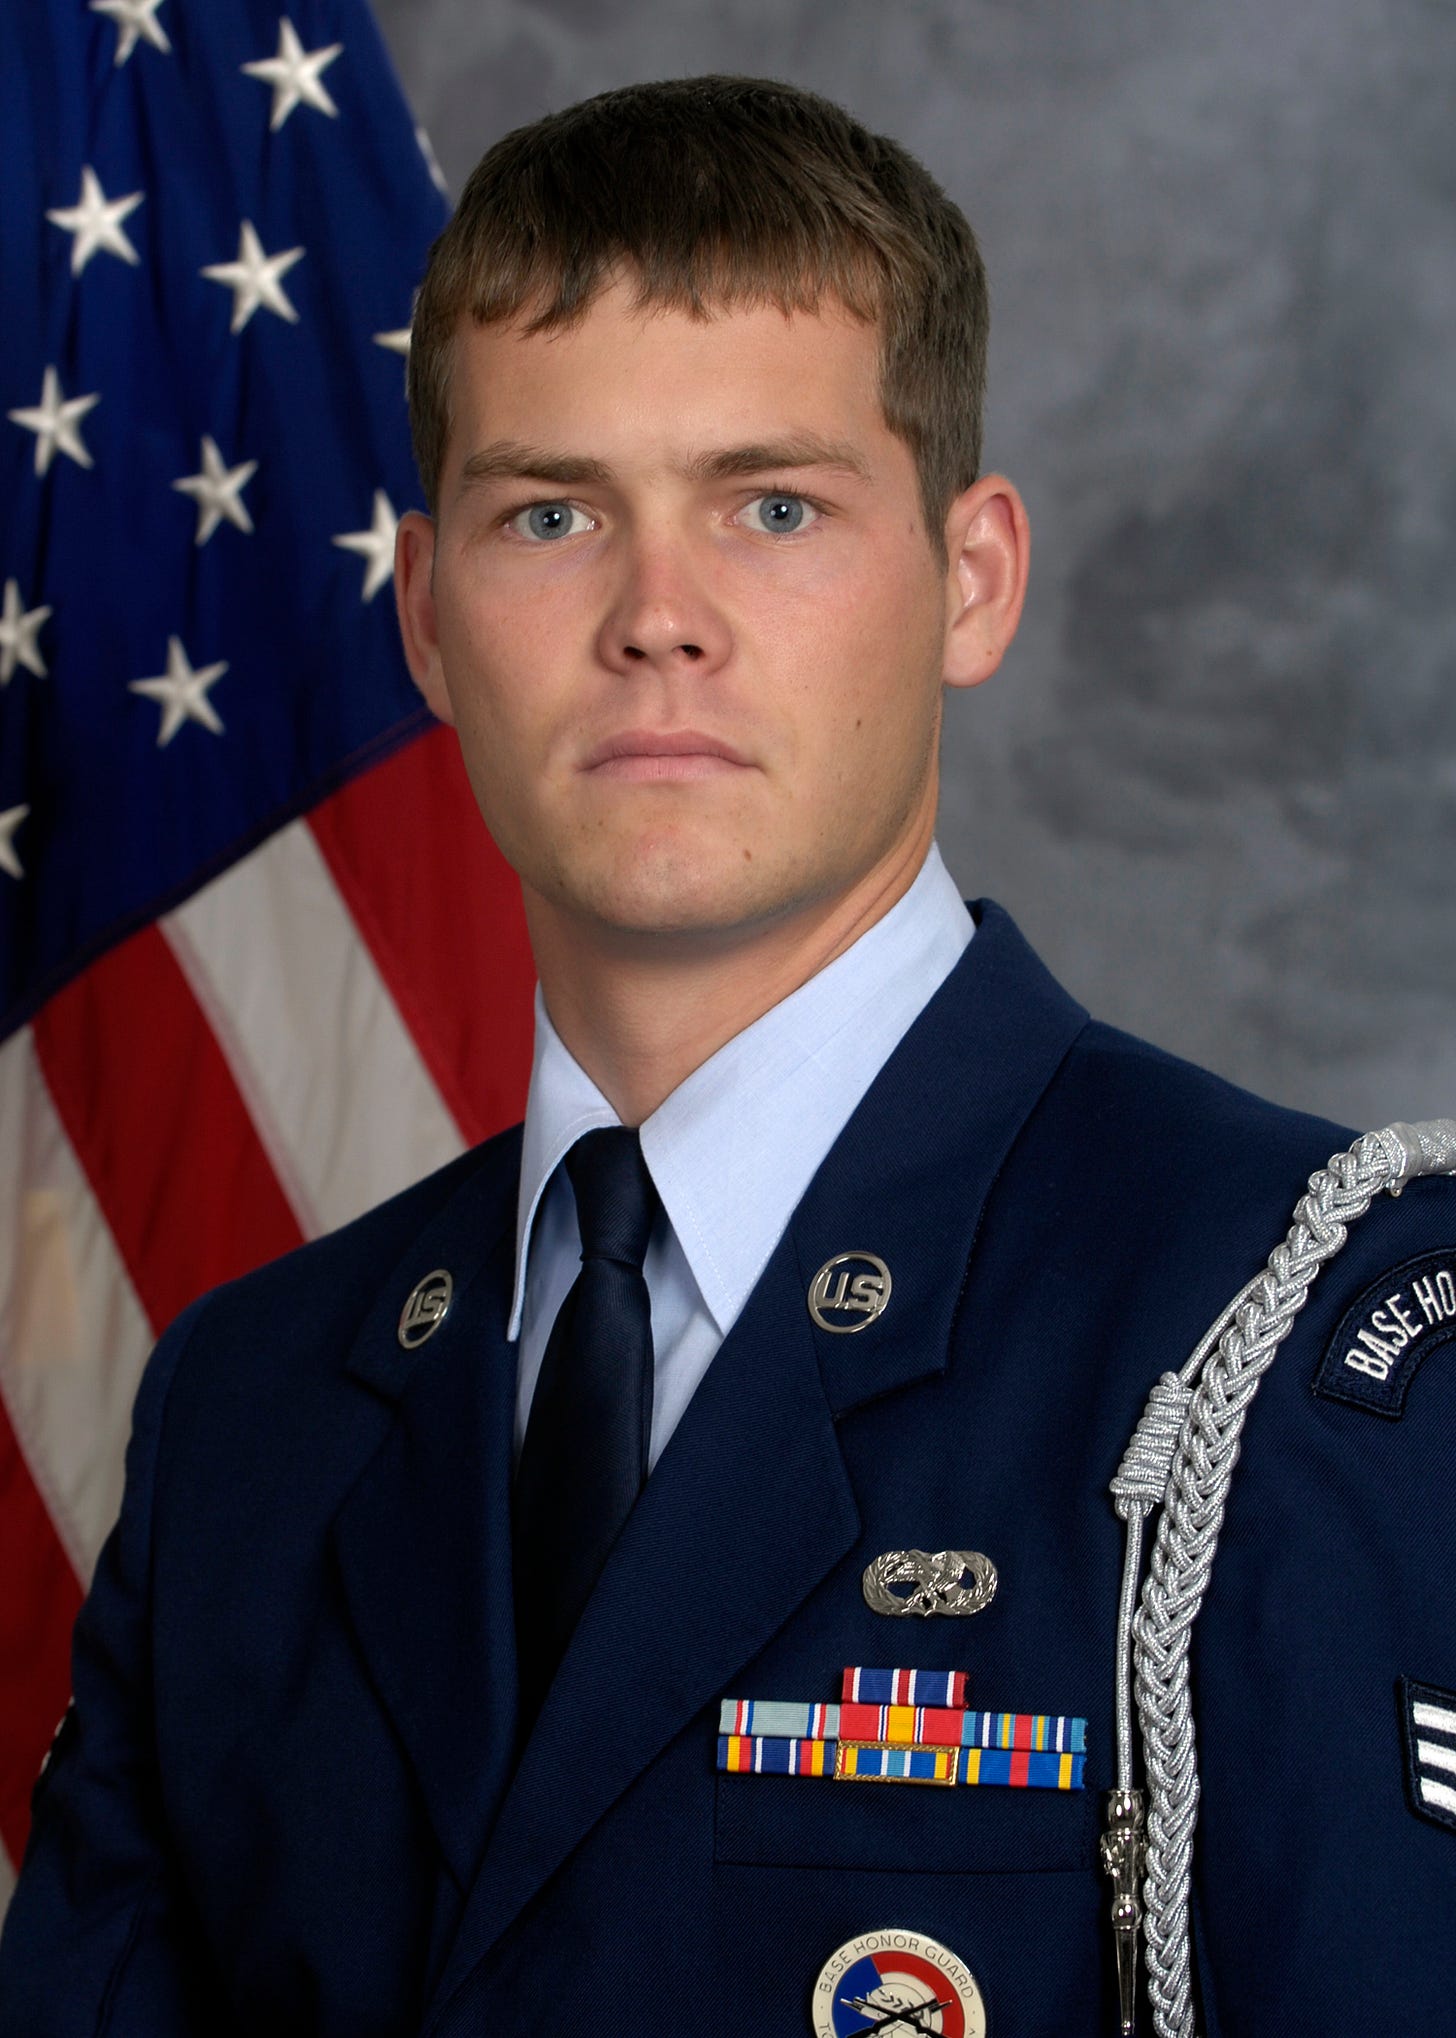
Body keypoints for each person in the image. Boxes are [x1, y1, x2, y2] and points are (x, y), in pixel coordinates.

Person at [2, 74, 1453, 2038]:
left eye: (773, 506)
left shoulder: (1286, 1343)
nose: (655, 619)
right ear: (425, 618)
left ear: (971, 579)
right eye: (550, 514)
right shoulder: (248, 1412)